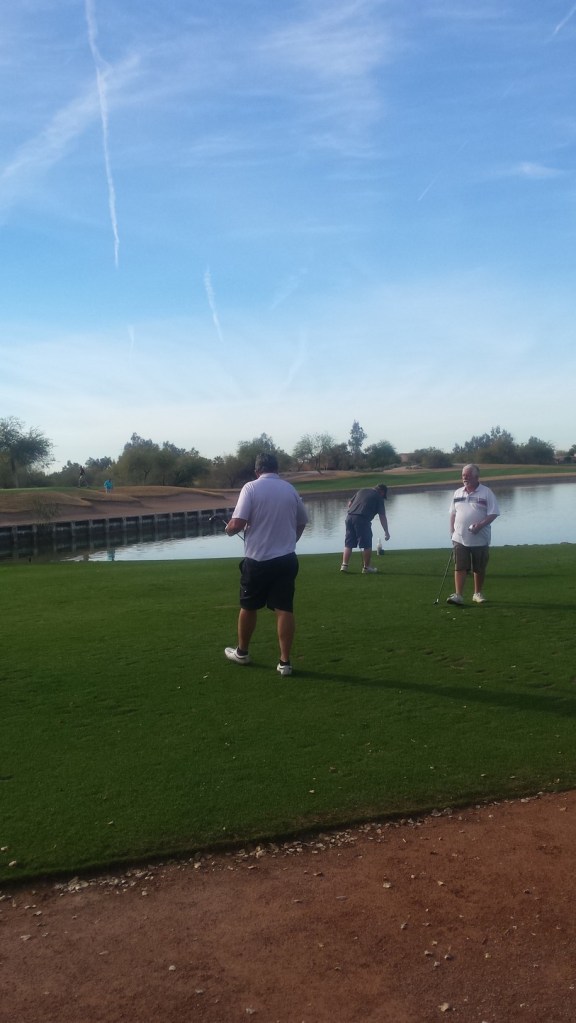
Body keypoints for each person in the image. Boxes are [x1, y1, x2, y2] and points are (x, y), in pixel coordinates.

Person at [224, 452, 308, 677]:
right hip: (287, 559)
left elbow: (238, 522)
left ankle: (242, 653)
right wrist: (291, 541)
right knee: (284, 609)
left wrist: (229, 529)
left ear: (257, 470)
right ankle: (285, 662)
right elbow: (302, 521)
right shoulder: (289, 488)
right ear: (277, 468)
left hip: (258, 560)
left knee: (249, 607)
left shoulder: (250, 488)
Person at [447, 463, 500, 605]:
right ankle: (458, 595)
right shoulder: (457, 493)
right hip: (459, 537)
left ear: (477, 477)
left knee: (479, 567)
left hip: (480, 537)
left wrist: (480, 525)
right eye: (464, 475)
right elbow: (453, 513)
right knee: (460, 566)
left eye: (468, 475)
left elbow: (494, 513)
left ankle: (477, 593)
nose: (465, 478)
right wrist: (452, 531)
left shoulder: (486, 492)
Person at [340, 483, 390, 573]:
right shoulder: (378, 497)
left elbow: (349, 504)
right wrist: (386, 531)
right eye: (383, 495)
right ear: (382, 492)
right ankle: (366, 568)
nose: (383, 496)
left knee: (348, 543)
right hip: (362, 519)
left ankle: (344, 565)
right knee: (367, 544)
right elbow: (382, 516)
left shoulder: (362, 490)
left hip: (349, 517)